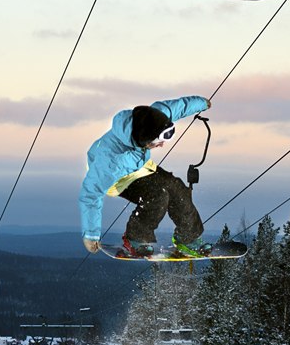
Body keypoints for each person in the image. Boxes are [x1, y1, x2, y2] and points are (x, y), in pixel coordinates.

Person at [79, 95, 212, 257]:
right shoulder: (110, 162)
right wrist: (91, 235)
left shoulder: (153, 117)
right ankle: (136, 238)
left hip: (139, 164)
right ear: (145, 141)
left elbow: (176, 107)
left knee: (176, 187)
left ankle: (188, 238)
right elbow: (90, 194)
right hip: (119, 178)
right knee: (157, 196)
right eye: (158, 141)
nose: (163, 144)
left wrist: (201, 103)